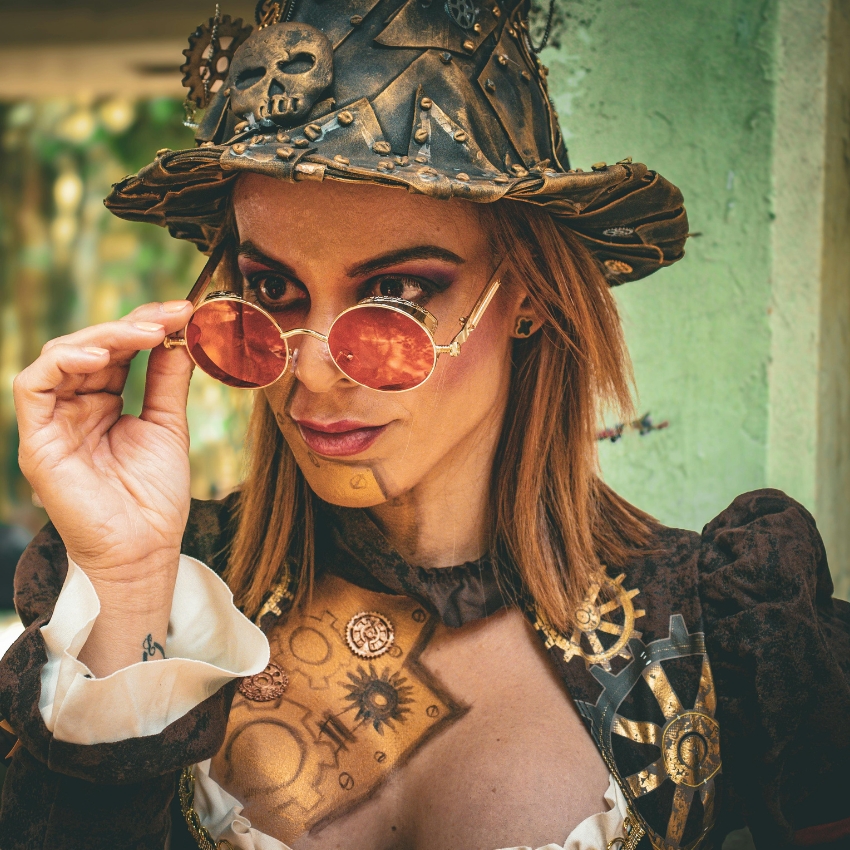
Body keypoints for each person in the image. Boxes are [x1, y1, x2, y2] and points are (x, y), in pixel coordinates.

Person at [2, 1, 849, 849]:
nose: (312, 370)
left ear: (525, 295)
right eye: (271, 290)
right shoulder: (170, 598)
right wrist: (125, 589)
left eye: (399, 294)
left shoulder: (727, 633)